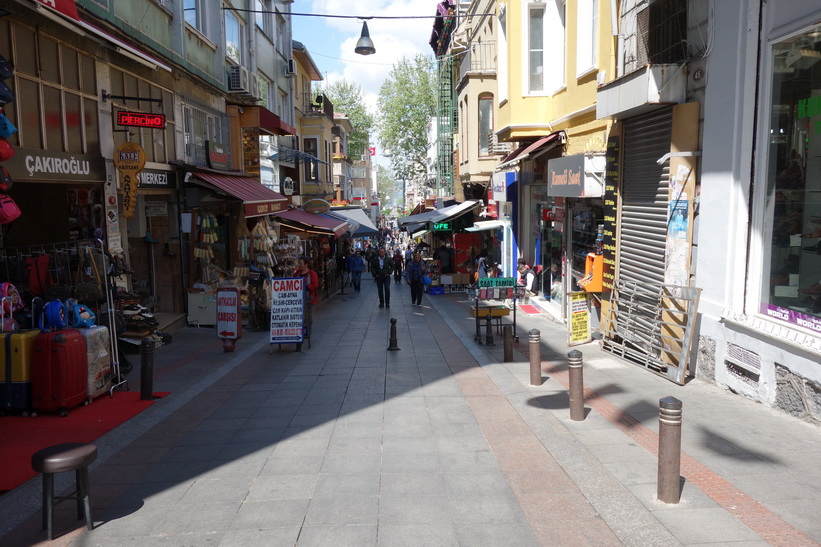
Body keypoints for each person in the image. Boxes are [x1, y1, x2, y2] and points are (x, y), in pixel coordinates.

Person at [295, 257, 318, 345]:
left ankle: (308, 330)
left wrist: (306, 287)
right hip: (299, 298)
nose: (299, 265)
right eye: (299, 263)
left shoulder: (312, 274)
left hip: (309, 297)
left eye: (301, 263)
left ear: (306, 264)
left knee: (308, 314)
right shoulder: (297, 274)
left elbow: (315, 285)